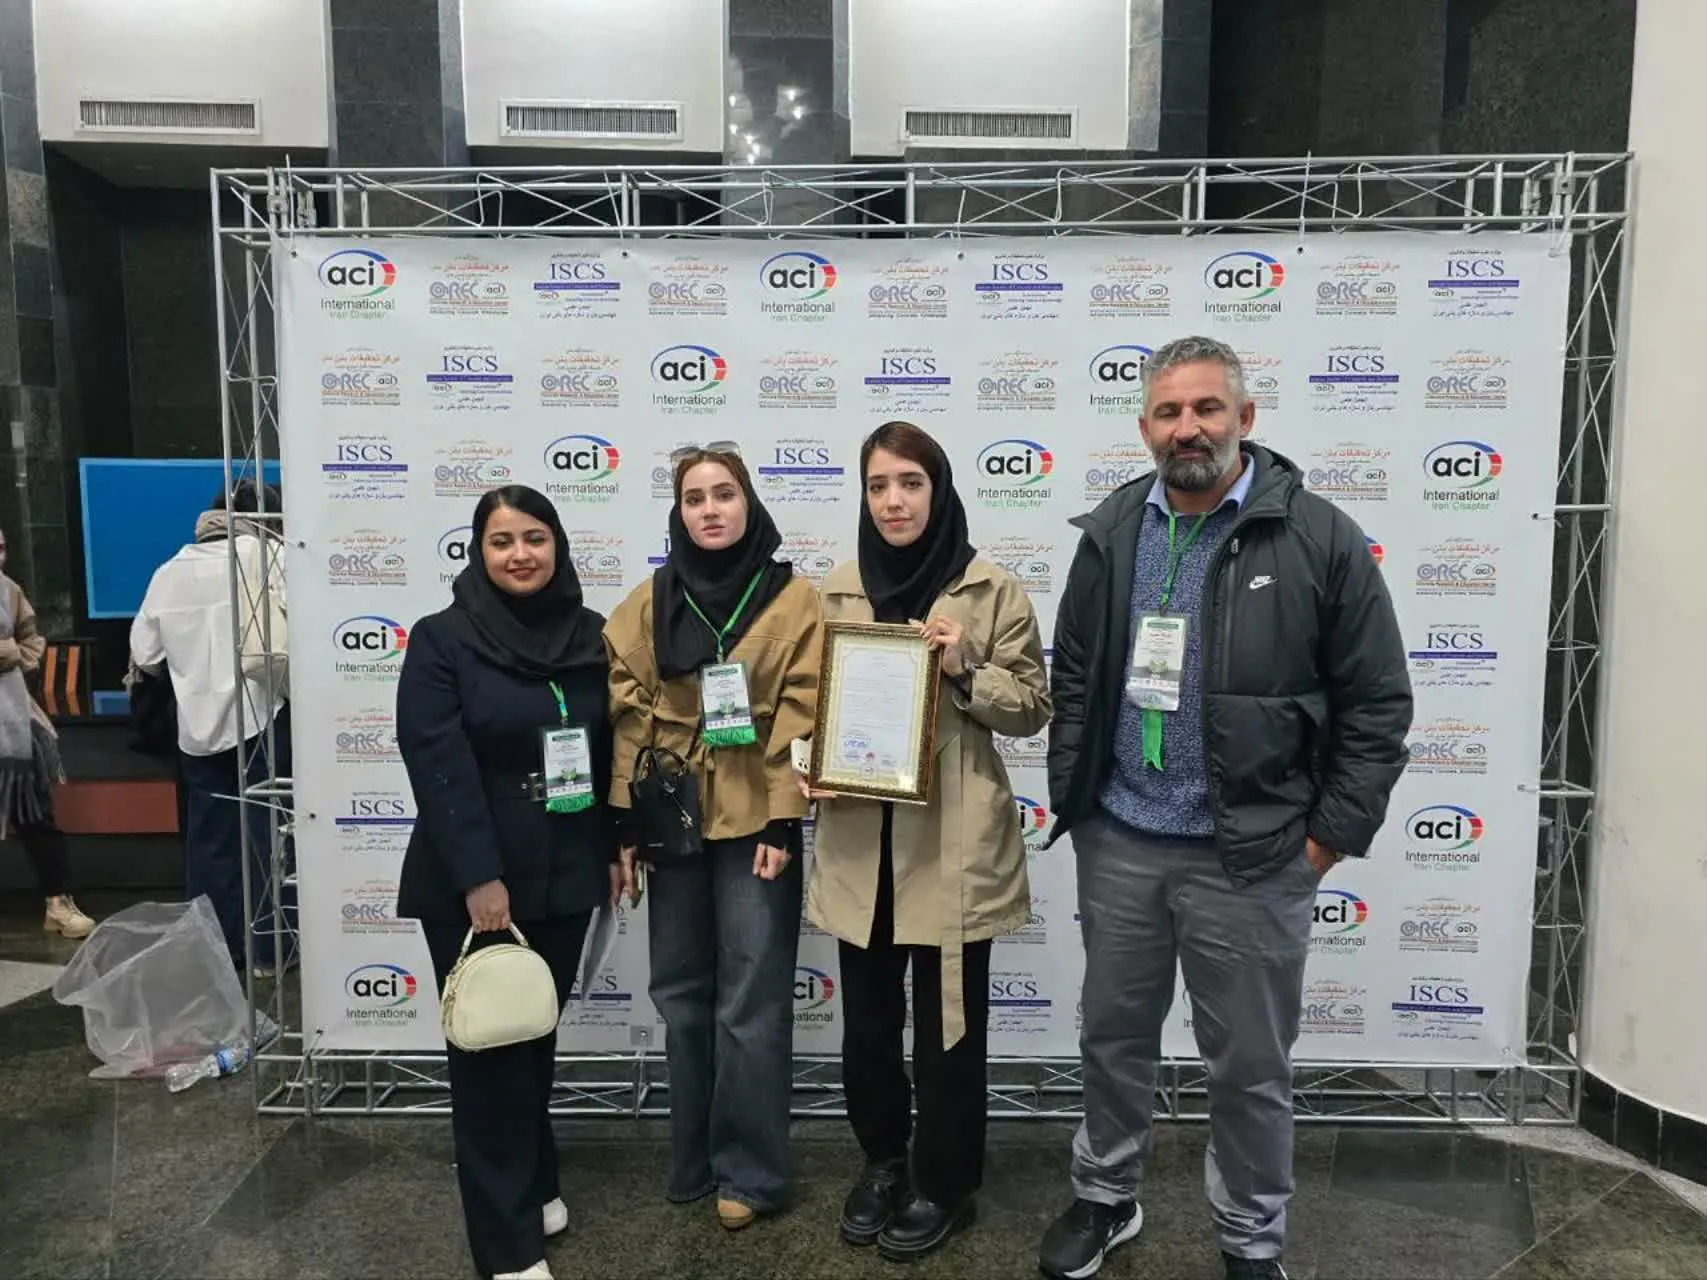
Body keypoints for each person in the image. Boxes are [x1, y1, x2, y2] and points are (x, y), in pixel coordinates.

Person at [1037, 336, 1413, 1280]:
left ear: (1244, 418)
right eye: (1168, 412)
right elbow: (1075, 674)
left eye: (1206, 408)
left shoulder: (1316, 537)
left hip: (1252, 854)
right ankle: (1105, 1195)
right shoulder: (1112, 533)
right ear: (1144, 428)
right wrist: (1080, 803)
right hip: (1121, 839)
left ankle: (1250, 1239)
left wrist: (1325, 840)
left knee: (1248, 1065)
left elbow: (1376, 702)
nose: (1188, 428)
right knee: (1110, 1037)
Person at [805, 421, 1051, 1260]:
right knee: (868, 1027)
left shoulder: (991, 589)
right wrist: (810, 762)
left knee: (949, 1029)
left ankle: (943, 1183)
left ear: (938, 491)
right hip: (859, 841)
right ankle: (882, 1160)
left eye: (910, 483)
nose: (893, 501)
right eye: (877, 485)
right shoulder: (837, 589)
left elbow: (1031, 707)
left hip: (950, 843)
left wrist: (963, 667)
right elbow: (809, 705)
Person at [395, 485, 617, 1280]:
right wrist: (479, 878)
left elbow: (607, 749)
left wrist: (614, 843)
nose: (520, 554)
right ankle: (506, 1248)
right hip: (476, 877)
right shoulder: (442, 639)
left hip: (567, 866)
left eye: (534, 538)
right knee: (489, 1057)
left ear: (556, 545)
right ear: (478, 552)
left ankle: (536, 1182)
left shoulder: (590, 635)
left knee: (533, 1036)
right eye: (501, 541)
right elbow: (437, 762)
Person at [604, 444, 822, 1230]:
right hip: (675, 818)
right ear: (679, 513)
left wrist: (783, 819)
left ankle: (750, 1174)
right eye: (693, 498)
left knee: (750, 1001)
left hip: (756, 820)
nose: (709, 510)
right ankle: (693, 1160)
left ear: (748, 503)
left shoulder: (793, 599)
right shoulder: (648, 602)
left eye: (723, 494)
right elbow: (627, 714)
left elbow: (803, 710)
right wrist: (625, 821)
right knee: (680, 995)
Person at [130, 480, 290, 975]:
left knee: (210, 842)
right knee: (270, 835)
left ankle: (218, 954)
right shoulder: (271, 556)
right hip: (265, 717)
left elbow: (145, 656)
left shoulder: (169, 571)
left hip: (195, 729)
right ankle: (272, 951)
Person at [0, 530, 92, 939]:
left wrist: (17, 656)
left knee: (36, 816)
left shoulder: (9, 590)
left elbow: (32, 639)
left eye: (2, 547)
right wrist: (7, 651)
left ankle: (58, 904)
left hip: (14, 723)